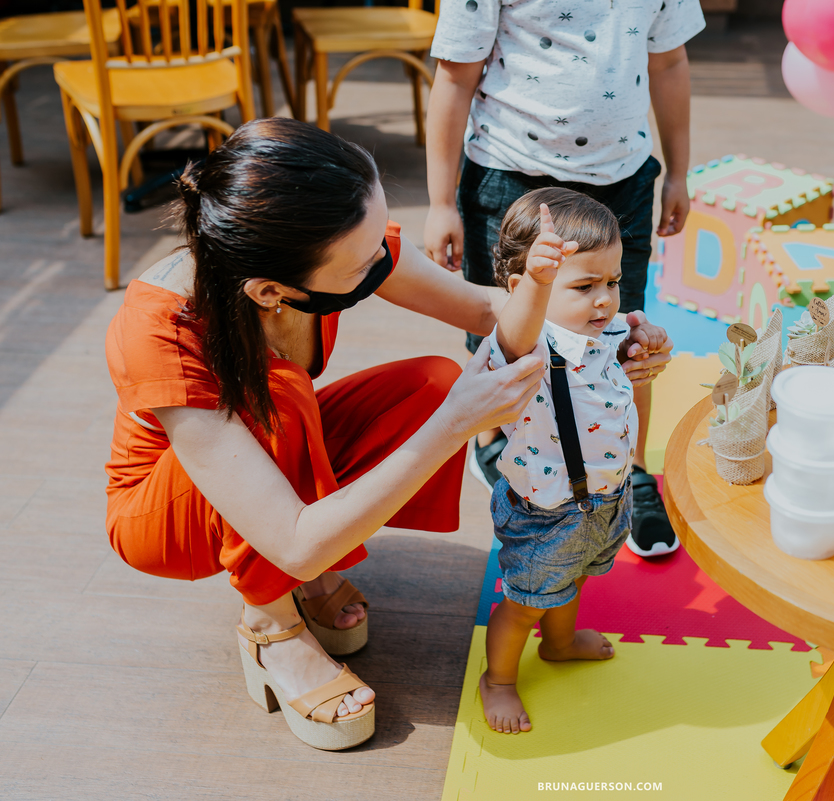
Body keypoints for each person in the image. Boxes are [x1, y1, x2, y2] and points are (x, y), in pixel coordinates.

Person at [103, 118, 671, 750]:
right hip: (163, 517)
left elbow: (488, 309)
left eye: (381, 237)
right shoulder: (163, 335)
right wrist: (456, 422)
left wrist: (610, 333)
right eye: (367, 258)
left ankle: (304, 581)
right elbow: (292, 542)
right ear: (271, 292)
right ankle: (273, 625)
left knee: (431, 380)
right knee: (287, 400)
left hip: (273, 443)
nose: (387, 259)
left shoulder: (329, 239)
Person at [423, 0, 704, 557]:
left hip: (620, 182)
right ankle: (495, 442)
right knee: (506, 332)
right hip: (510, 178)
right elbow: (455, 77)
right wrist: (439, 201)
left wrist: (678, 173)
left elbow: (669, 64)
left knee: (624, 333)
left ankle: (632, 469)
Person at [479, 188, 670, 734]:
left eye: (611, 281)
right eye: (583, 286)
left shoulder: (605, 326)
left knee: (575, 579)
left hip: (603, 499)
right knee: (524, 604)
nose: (604, 299)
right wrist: (539, 285)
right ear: (523, 288)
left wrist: (648, 336)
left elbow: (635, 334)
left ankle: (559, 644)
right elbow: (514, 331)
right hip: (545, 510)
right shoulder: (527, 341)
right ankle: (498, 680)